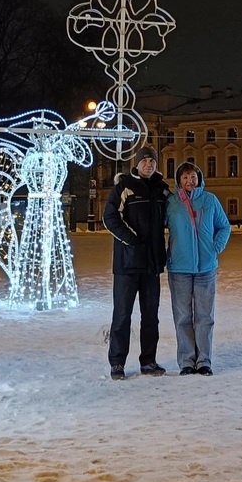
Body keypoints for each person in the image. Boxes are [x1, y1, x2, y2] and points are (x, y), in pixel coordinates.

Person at [102, 145, 170, 380]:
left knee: (151, 316)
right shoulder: (124, 187)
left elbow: (174, 217)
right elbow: (109, 217)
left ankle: (148, 361)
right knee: (122, 315)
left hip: (151, 265)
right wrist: (131, 240)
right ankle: (117, 363)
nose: (149, 165)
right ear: (137, 163)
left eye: (152, 162)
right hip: (127, 264)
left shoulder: (162, 190)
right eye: (145, 161)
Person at [165, 161, 231, 376]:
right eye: (185, 177)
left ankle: (204, 361)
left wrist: (215, 247)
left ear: (199, 179)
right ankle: (186, 361)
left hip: (205, 268)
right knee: (183, 316)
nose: (189, 181)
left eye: (193, 177)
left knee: (204, 317)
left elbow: (224, 226)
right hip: (180, 268)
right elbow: (157, 227)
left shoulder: (209, 200)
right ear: (179, 181)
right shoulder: (172, 203)